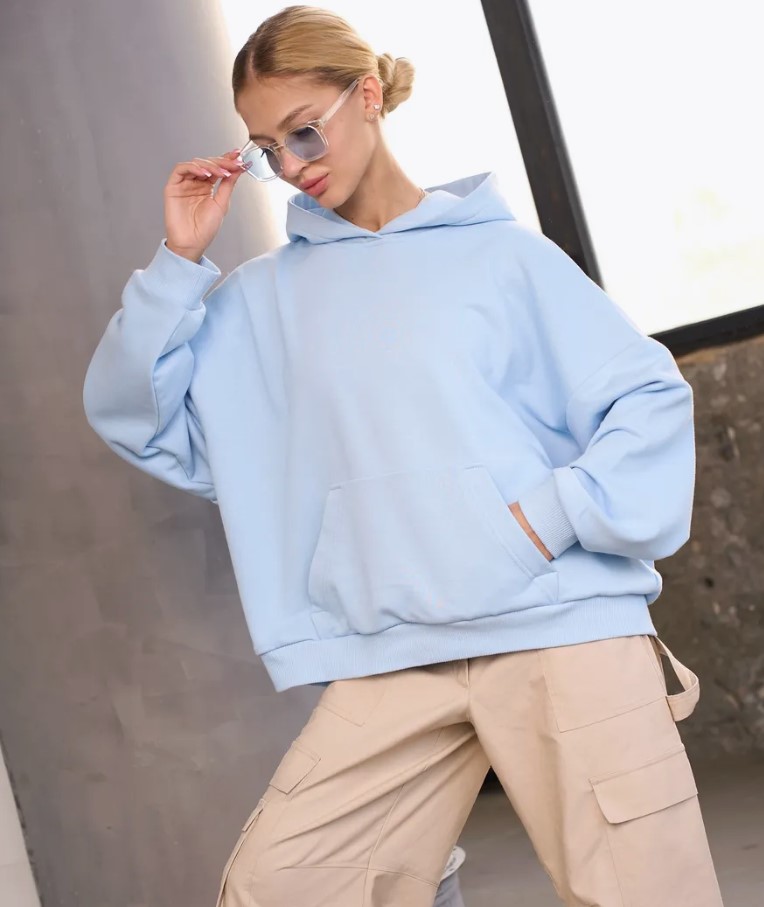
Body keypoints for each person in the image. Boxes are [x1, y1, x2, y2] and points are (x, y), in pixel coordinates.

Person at [83, 6, 724, 906]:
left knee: (643, 892)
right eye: (266, 149)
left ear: (368, 96)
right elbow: (130, 414)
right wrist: (178, 262)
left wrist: (537, 526)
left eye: (304, 131)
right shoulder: (255, 304)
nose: (293, 165)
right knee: (282, 885)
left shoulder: (504, 259)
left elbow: (650, 400)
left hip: (559, 624)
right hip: (393, 649)